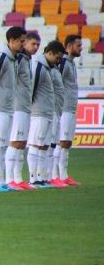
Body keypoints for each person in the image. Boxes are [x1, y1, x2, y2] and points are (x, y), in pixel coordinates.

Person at [0, 26, 26, 192]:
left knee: (3, 146)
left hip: (9, 108)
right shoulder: (2, 58)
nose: (23, 44)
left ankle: (1, 181)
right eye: (21, 41)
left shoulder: (15, 59)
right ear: (12, 41)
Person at [5, 31, 40, 191]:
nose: (35, 47)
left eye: (37, 44)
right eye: (32, 43)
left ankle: (18, 179)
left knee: (22, 144)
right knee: (15, 142)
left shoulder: (27, 59)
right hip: (17, 106)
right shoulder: (17, 59)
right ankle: (9, 179)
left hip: (25, 106)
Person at [28, 41, 66, 187]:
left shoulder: (49, 67)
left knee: (44, 145)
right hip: (39, 112)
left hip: (49, 111)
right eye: (57, 57)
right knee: (36, 144)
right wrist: (31, 109)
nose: (58, 61)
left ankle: (42, 177)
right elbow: (32, 88)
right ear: (49, 53)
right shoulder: (38, 65)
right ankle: (33, 178)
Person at [53, 35, 82, 186]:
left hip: (71, 108)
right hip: (63, 109)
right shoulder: (63, 62)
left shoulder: (71, 63)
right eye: (78, 45)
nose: (81, 48)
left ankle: (63, 175)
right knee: (61, 141)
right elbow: (57, 83)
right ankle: (55, 175)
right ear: (69, 46)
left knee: (67, 143)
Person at [48, 43, 67, 187]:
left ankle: (50, 177)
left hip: (56, 110)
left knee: (52, 145)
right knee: (44, 145)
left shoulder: (54, 68)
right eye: (57, 57)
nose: (59, 60)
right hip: (47, 111)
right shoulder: (42, 66)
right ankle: (43, 177)